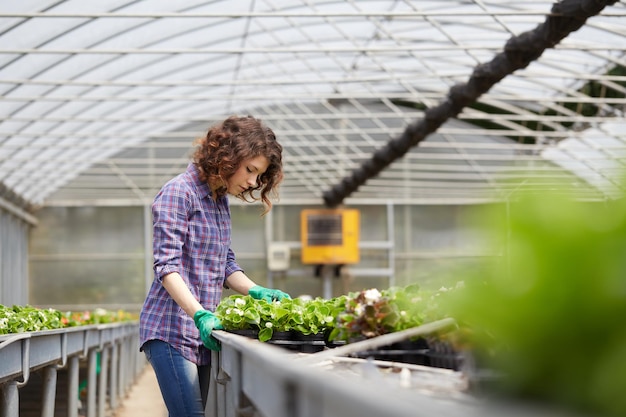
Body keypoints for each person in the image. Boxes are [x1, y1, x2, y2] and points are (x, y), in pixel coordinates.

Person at [139, 115, 290, 417]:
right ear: (228, 156)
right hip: (170, 329)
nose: (252, 182)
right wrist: (201, 314)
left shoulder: (218, 200)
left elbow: (225, 265)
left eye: (258, 176)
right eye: (250, 170)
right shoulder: (178, 193)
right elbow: (167, 266)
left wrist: (256, 290)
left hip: (201, 332)